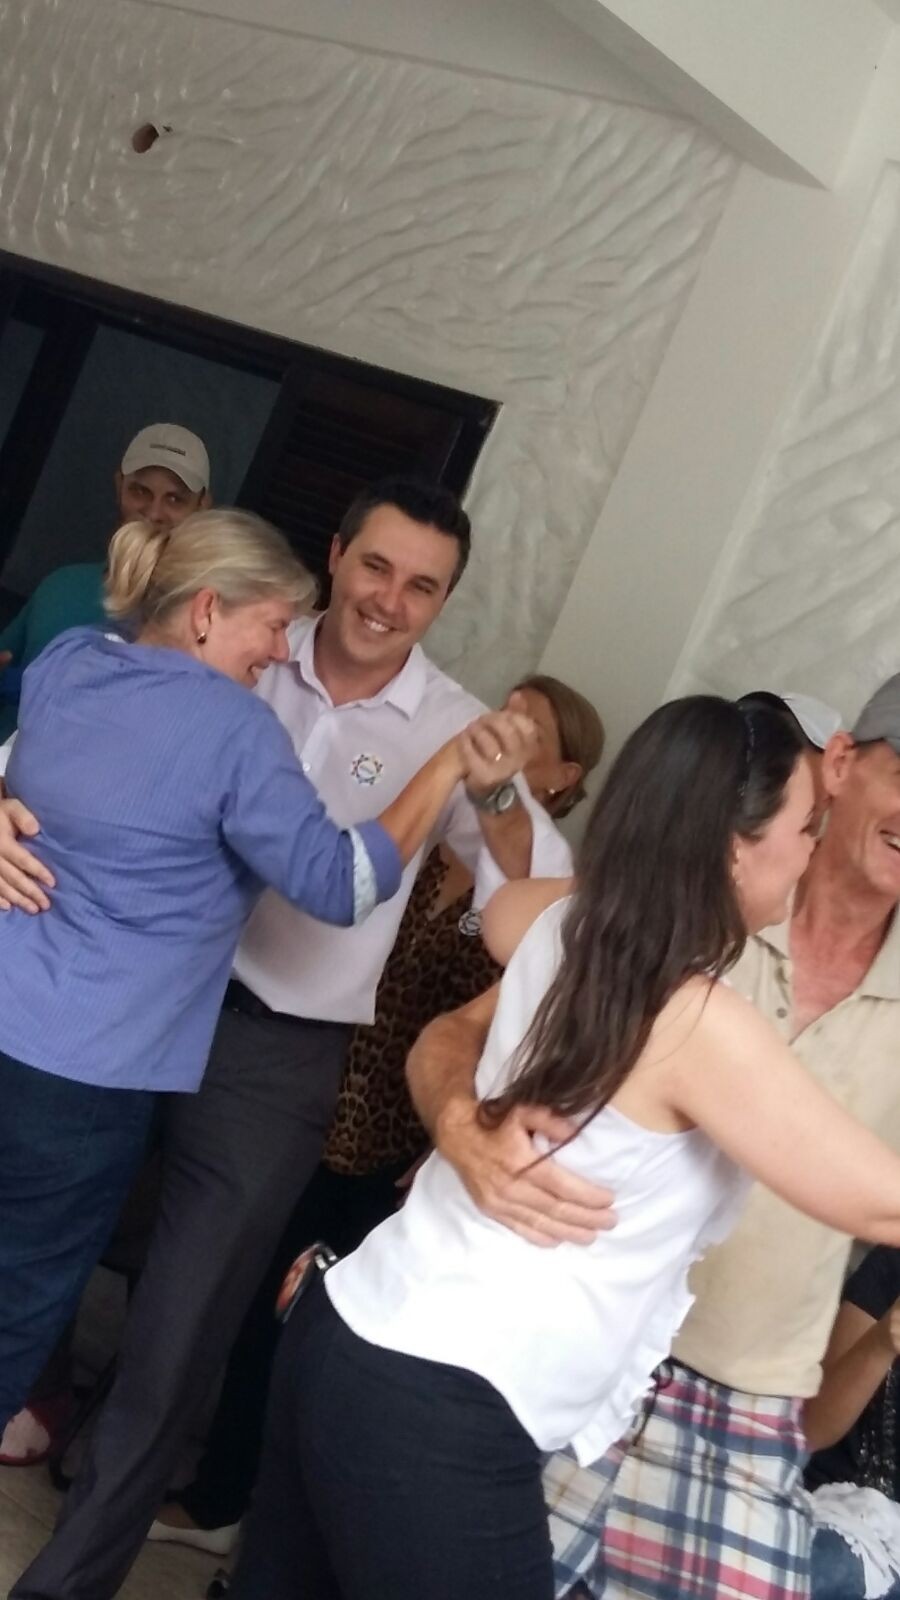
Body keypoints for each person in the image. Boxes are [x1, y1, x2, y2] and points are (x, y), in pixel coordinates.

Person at [1, 476, 572, 1600]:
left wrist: (498, 795)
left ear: (444, 601)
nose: (390, 601)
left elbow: (537, 886)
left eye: (423, 587)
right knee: (46, 1256)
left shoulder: (453, 723)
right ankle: (38, 1408)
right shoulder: (239, 631)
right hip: (119, 1027)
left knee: (173, 1339)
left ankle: (62, 1584)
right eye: (377, 567)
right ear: (336, 553)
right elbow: (35, 748)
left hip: (271, 1055)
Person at [225, 693, 900, 1600]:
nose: (811, 852)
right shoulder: (696, 1018)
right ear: (734, 846)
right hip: (440, 1399)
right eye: (804, 827)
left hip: (350, 1331)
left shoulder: (570, 927)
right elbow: (878, 1200)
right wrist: (457, 1117)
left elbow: (507, 914)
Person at [150, 674, 604, 1556]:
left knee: (322, 1324)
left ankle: (256, 1512)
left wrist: (452, 1132)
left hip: (409, 1135)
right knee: (254, 1293)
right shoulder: (423, 837)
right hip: (322, 1090)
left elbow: (522, 1027)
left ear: (562, 776)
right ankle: (221, 1486)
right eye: (499, 714)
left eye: (527, 732)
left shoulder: (543, 898)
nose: (498, 733)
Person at [0, 424, 211, 740]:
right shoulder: (61, 585)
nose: (154, 513)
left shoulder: (203, 622)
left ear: (202, 506)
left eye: (174, 499)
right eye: (140, 491)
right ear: (119, 486)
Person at [804, 1246, 900, 1599]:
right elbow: (813, 1429)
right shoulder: (893, 1262)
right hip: (831, 1510)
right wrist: (883, 1342)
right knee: (823, 1566)